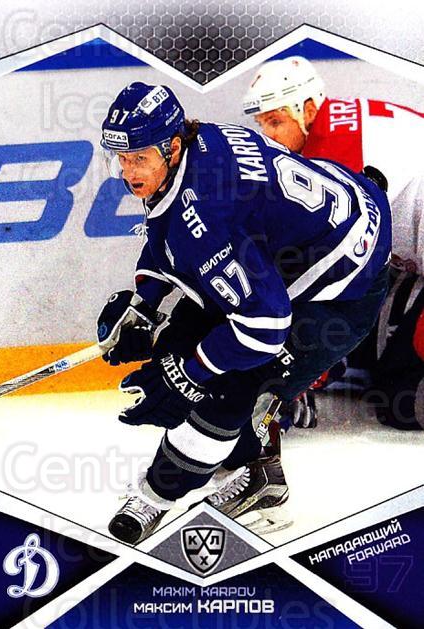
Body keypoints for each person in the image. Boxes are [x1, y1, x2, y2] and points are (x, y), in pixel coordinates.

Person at [97, 81, 391, 545]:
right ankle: (249, 464)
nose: (128, 171)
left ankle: (181, 492)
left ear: (173, 147)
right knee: (182, 345)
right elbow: (171, 236)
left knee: (231, 386)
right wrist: (144, 303)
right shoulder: (197, 147)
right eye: (122, 158)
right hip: (324, 225)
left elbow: (265, 327)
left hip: (344, 288)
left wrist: (192, 372)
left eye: (140, 158)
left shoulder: (207, 214)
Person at [243, 56, 424, 430]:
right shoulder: (337, 125)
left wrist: (300, 373)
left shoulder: (329, 158)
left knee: (402, 399)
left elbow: (316, 276)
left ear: (308, 110)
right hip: (413, 259)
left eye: (276, 122)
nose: (268, 138)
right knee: (372, 353)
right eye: (262, 125)